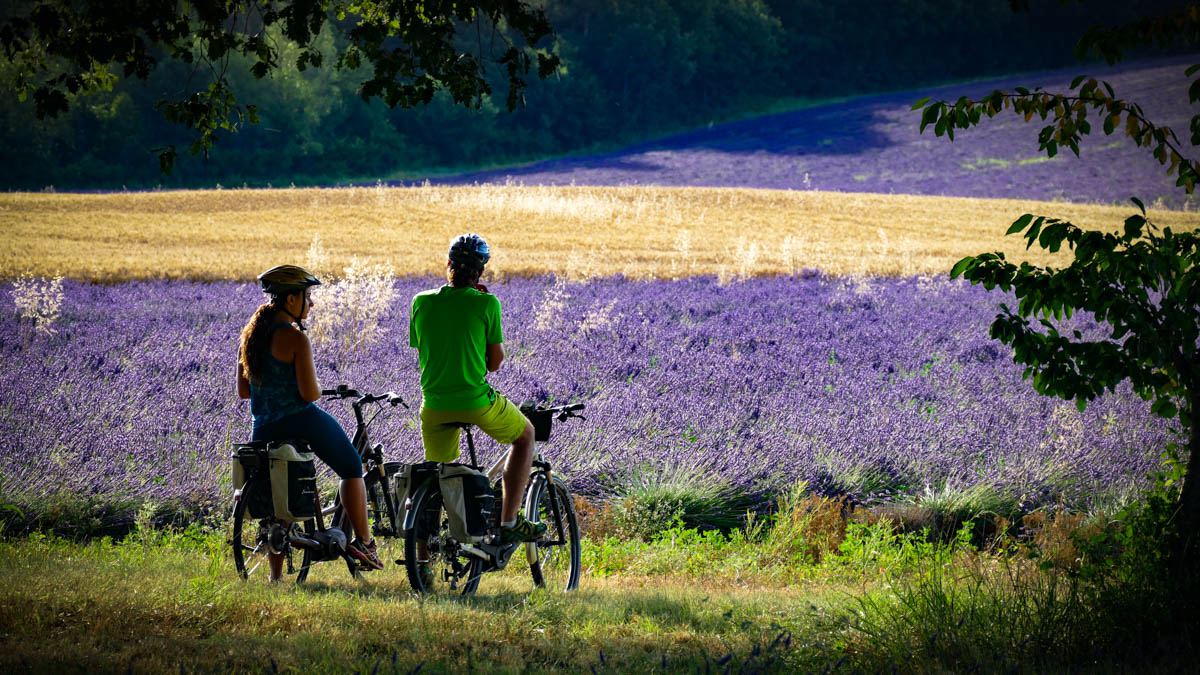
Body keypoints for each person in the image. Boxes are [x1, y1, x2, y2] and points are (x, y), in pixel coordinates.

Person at [236, 264, 383, 578]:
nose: (311, 303)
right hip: (300, 419)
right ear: (291, 300)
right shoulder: (295, 339)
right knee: (352, 466)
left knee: (280, 497)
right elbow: (309, 394)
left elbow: (243, 390)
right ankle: (365, 543)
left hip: (261, 426)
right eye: (307, 296)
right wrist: (314, 387)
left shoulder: (250, 337)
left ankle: (276, 577)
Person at [408, 233, 546, 546]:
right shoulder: (487, 303)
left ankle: (423, 561)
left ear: (448, 264)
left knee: (439, 475)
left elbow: (423, 348)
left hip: (433, 404)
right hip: (474, 401)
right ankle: (510, 520)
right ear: (480, 270)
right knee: (525, 436)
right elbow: (494, 363)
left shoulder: (421, 301)